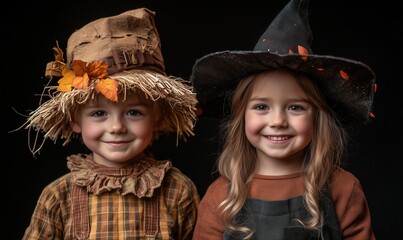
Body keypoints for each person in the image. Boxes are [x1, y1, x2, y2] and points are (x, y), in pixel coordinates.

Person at [190, 0, 376, 239]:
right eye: (261, 106)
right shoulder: (221, 197)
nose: (278, 120)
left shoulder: (343, 189)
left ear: (317, 118)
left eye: (296, 107)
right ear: (241, 117)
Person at [20, 8, 199, 240]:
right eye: (98, 114)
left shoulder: (178, 191)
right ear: (75, 120)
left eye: (134, 112)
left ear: (157, 118)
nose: (116, 127)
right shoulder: (58, 195)